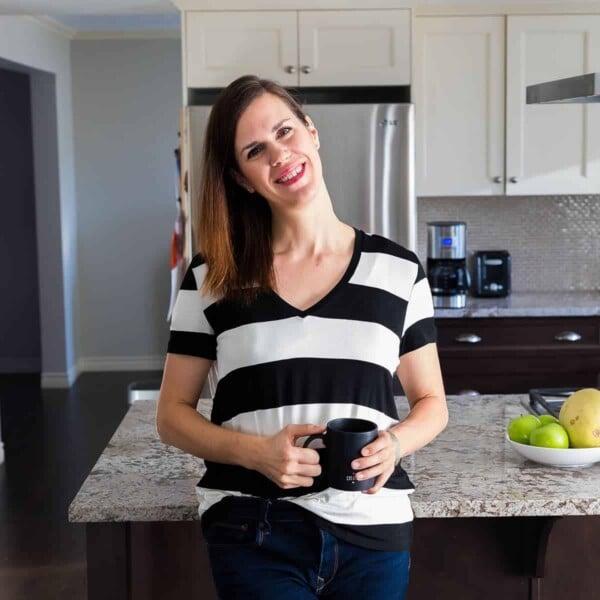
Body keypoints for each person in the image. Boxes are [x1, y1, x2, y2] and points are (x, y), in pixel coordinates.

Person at [156, 74, 448, 600]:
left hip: (373, 530)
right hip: (253, 529)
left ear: (312, 132)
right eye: (255, 150)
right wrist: (255, 454)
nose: (280, 155)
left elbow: (432, 402)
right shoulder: (210, 277)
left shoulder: (398, 270)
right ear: (243, 179)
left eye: (286, 132)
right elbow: (172, 415)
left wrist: (394, 444)